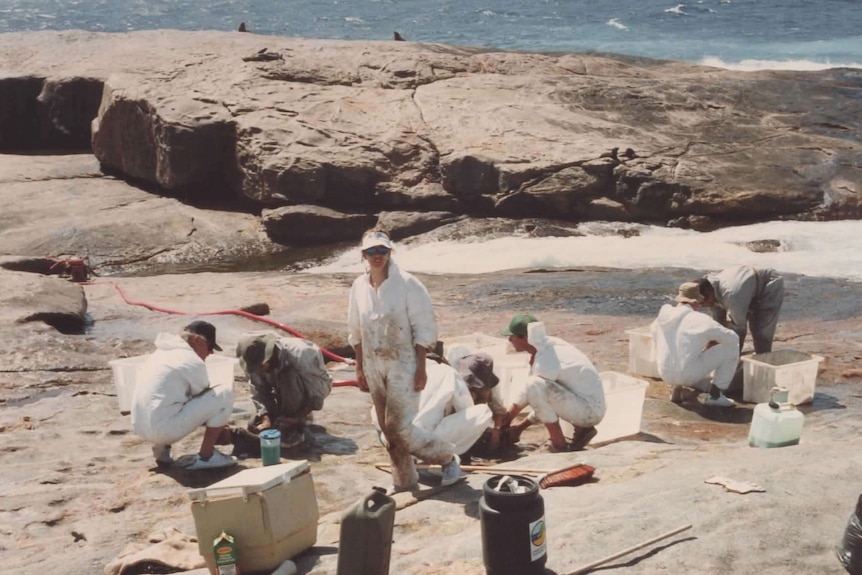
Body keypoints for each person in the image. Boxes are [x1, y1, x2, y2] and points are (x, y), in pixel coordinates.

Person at [347, 228, 462, 493]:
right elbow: (355, 328)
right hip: (374, 365)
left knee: (398, 427)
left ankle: (447, 457)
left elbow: (424, 327)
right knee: (387, 432)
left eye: (382, 251)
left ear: (390, 251)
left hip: (404, 363)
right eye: (371, 251)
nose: (377, 256)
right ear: (363, 254)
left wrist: (421, 368)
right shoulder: (358, 287)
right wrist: (359, 367)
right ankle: (404, 481)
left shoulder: (408, 284)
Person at [131, 320, 236, 470]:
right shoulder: (191, 360)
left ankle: (161, 451)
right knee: (224, 394)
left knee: (166, 399)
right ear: (197, 340)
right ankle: (207, 457)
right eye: (210, 347)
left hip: (140, 427)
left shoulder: (160, 353)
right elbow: (205, 399)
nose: (211, 352)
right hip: (163, 430)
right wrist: (219, 426)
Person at [499, 314, 606, 452]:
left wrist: (510, 420)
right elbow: (545, 400)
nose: (509, 340)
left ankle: (558, 443)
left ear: (525, 338)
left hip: (588, 411)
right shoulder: (549, 345)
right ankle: (582, 430)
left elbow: (537, 393)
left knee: (534, 384)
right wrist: (515, 424)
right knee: (535, 386)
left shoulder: (546, 359)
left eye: (511, 337)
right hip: (587, 405)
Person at [371, 350, 495, 456]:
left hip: (391, 441)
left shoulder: (407, 372)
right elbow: (466, 409)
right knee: (483, 412)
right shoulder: (449, 373)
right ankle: (447, 455)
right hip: (424, 445)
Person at [236, 331, 333, 448]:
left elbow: (317, 393)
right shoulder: (252, 358)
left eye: (262, 365)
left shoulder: (302, 354)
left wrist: (297, 417)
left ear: (270, 353)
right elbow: (258, 390)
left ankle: (294, 420)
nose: (260, 370)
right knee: (254, 424)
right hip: (279, 388)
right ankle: (279, 418)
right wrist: (265, 417)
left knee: (288, 376)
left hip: (309, 386)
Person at [651, 282, 740, 407]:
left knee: (671, 345)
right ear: (695, 302)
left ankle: (674, 387)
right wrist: (712, 342)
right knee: (732, 348)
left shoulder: (662, 318)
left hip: (664, 373)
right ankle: (715, 396)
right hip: (687, 375)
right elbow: (733, 338)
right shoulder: (700, 319)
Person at [697, 265, 784, 354]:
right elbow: (719, 324)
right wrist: (713, 342)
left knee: (759, 328)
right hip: (747, 285)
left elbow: (739, 328)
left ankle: (763, 358)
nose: (702, 306)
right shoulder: (709, 288)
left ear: (708, 292)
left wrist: (733, 356)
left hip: (768, 283)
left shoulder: (732, 296)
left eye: (702, 303)